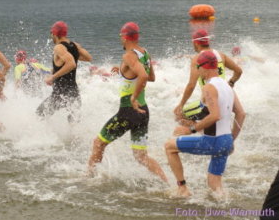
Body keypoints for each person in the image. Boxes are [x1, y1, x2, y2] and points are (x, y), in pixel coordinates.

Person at [88, 22, 168, 183]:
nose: (120, 40)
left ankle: (88, 178)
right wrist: (124, 71)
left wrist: (133, 98)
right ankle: (168, 182)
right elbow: (151, 76)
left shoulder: (128, 55)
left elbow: (144, 77)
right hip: (143, 111)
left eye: (120, 36)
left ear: (125, 37)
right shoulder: (144, 53)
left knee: (98, 143)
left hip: (128, 110)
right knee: (141, 156)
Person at [165, 51, 246, 197]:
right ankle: (225, 209)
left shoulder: (209, 87)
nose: (197, 71)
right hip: (225, 140)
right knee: (214, 185)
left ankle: (182, 188)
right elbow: (241, 114)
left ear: (205, 67)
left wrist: (191, 129)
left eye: (198, 68)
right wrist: (231, 139)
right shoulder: (228, 86)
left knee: (170, 147)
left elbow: (215, 115)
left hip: (213, 141)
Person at [174, 29, 243, 122]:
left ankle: (197, 133)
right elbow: (238, 71)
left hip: (209, 103)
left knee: (179, 116)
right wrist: (230, 83)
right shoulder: (220, 55)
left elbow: (191, 85)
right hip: (225, 99)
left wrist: (181, 104)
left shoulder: (197, 59)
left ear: (196, 43)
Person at [36, 21, 92, 121]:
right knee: (73, 124)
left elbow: (71, 64)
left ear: (54, 34)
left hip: (61, 93)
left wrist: (52, 77)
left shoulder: (59, 47)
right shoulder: (74, 45)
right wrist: (75, 52)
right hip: (74, 92)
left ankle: (38, 136)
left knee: (39, 115)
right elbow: (88, 57)